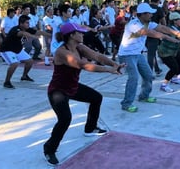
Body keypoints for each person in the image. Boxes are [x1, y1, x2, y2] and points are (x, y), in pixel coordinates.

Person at [43, 22, 125, 166]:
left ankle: (90, 128)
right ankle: (49, 149)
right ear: (71, 35)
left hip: (73, 87)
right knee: (65, 119)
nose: (82, 34)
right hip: (58, 91)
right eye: (79, 32)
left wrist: (114, 64)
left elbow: (98, 56)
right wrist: (108, 70)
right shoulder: (62, 52)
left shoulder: (79, 47)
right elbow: (83, 65)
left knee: (96, 98)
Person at [118, 3, 180, 113]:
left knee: (148, 75)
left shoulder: (147, 23)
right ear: (142, 14)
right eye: (149, 13)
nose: (151, 15)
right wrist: (169, 38)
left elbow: (161, 27)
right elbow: (150, 33)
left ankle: (144, 96)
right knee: (134, 78)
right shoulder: (133, 24)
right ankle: (126, 103)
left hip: (138, 54)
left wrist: (176, 33)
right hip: (126, 55)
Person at [0, 15, 49, 88]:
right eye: (26, 23)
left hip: (17, 49)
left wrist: (51, 35)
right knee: (14, 64)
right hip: (7, 50)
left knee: (30, 61)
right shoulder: (16, 29)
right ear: (21, 23)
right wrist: (34, 37)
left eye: (28, 22)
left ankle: (24, 76)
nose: (28, 24)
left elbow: (39, 32)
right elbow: (22, 33)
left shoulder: (27, 28)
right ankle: (7, 82)